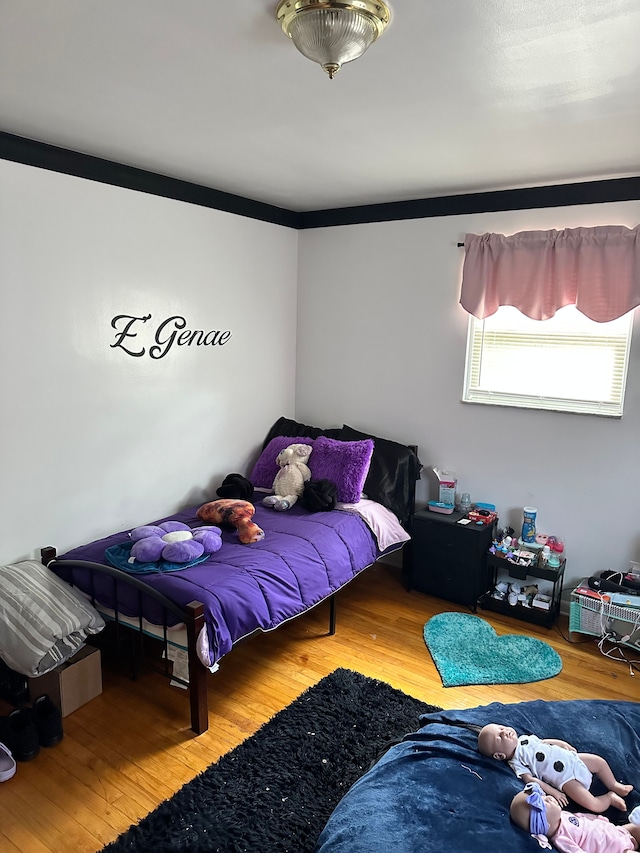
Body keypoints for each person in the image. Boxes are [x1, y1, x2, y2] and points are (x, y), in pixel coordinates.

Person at [477, 723, 632, 812]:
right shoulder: (516, 762)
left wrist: (561, 744)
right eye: (499, 736)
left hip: (573, 759)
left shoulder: (524, 738)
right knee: (593, 805)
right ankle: (609, 798)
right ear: (499, 755)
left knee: (600, 762)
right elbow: (531, 780)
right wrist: (554, 793)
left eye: (501, 727)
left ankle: (614, 784)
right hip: (566, 779)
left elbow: (544, 742)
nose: (505, 731)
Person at [510, 781, 640, 852]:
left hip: (616, 831)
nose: (549, 797)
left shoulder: (563, 816)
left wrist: (599, 820)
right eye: (545, 803)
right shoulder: (561, 839)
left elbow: (582, 819)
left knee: (635, 828)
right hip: (614, 849)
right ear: (545, 824)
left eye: (544, 796)